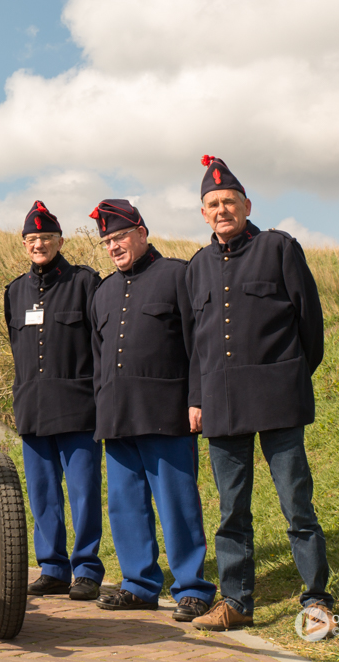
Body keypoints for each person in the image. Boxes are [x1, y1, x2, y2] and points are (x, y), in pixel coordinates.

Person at [185, 156, 333, 634]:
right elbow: (195, 345)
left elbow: (309, 322)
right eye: (213, 203)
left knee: (297, 504)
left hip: (277, 398)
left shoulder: (278, 247)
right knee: (231, 512)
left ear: (246, 205)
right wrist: (196, 397)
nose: (222, 208)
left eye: (229, 201)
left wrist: (289, 375)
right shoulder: (197, 267)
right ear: (203, 213)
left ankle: (315, 598)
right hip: (222, 405)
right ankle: (236, 601)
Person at [88, 199, 216, 621]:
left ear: (142, 232)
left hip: (167, 413)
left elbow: (198, 344)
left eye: (120, 236)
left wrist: (196, 399)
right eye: (107, 240)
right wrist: (100, 409)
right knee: (125, 506)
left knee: (177, 503)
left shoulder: (178, 275)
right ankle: (139, 584)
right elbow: (97, 358)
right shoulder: (103, 291)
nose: (114, 246)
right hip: (117, 415)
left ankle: (192, 588)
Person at [3, 201, 104, 600]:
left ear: (60, 241)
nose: (38, 244)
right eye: (32, 238)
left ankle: (87, 569)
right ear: (24, 244)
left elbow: (98, 343)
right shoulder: (15, 291)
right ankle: (53, 567)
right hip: (33, 406)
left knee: (82, 493)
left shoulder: (84, 283)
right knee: (42, 494)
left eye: (45, 237)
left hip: (78, 407)